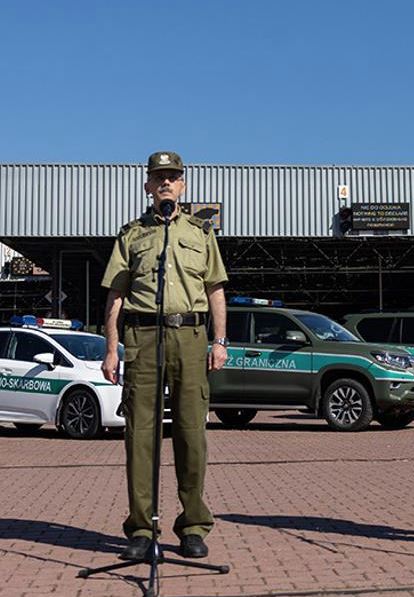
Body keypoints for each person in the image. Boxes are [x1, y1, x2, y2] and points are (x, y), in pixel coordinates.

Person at [100, 151, 229, 559]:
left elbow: (215, 290)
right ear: (148, 186)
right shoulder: (132, 235)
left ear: (183, 185)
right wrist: (110, 348)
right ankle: (141, 529)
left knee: (192, 433)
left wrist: (220, 341)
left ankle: (193, 526)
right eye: (159, 178)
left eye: (173, 177)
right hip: (142, 338)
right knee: (141, 436)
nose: (166, 184)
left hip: (190, 336)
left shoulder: (200, 233)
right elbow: (116, 295)